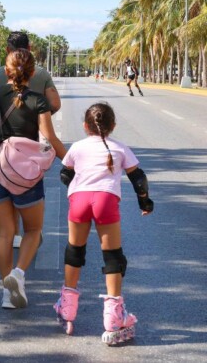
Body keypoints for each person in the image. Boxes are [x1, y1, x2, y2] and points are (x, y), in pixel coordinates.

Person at [0, 48, 67, 308]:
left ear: (4, 71)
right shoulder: (37, 101)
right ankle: (18, 274)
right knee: (32, 230)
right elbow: (50, 139)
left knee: (5, 233)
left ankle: (7, 294)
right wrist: (72, 162)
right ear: (32, 72)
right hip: (25, 172)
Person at [54, 102, 154, 343]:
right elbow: (138, 178)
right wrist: (145, 203)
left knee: (74, 251)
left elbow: (65, 173)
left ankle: (67, 309)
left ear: (85, 126)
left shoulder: (77, 147)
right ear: (113, 126)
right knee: (113, 257)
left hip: (79, 199)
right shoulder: (120, 147)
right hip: (106, 201)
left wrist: (79, 191)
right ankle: (113, 318)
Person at [0, 31, 61, 248]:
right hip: (29, 147)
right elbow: (55, 103)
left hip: (0, 148)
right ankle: (31, 232)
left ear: (6, 51)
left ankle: (14, 235)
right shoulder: (40, 73)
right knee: (27, 182)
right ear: (29, 49)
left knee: (6, 184)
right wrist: (40, 115)